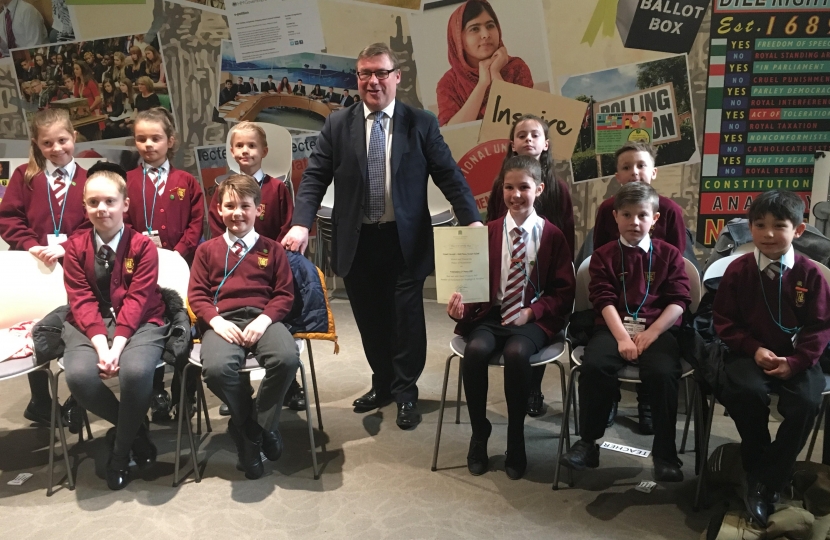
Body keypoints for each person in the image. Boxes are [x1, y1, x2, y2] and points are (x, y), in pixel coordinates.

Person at [282, 42, 481, 429]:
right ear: (357, 78)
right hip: (357, 241)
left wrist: (471, 219)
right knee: (370, 320)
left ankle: (407, 392)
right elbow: (315, 177)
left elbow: (449, 175)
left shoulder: (420, 123)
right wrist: (300, 222)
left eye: (380, 73)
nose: (373, 81)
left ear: (396, 77)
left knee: (406, 319)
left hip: (404, 240)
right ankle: (383, 383)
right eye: (364, 74)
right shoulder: (339, 124)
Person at [448, 155, 574, 479]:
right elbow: (472, 285)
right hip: (493, 315)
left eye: (524, 187)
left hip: (532, 319)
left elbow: (563, 293)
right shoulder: (487, 232)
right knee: (474, 351)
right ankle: (480, 431)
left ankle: (515, 437)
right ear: (500, 189)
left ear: (540, 189)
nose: (516, 195)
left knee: (517, 354)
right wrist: (460, 306)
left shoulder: (552, 236)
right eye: (509, 187)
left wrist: (532, 311)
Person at [558, 181, 690, 482]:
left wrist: (652, 333)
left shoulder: (669, 255)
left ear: (654, 219)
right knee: (596, 365)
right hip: (613, 326)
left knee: (663, 373)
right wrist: (621, 337)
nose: (634, 222)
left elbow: (680, 300)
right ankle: (588, 443)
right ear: (615, 216)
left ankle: (665, 452)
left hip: (657, 330)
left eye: (642, 215)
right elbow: (602, 300)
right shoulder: (603, 256)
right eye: (627, 215)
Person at [713, 190, 830, 527]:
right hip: (749, 353)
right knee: (745, 391)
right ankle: (758, 463)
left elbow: (821, 326)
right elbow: (724, 322)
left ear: (799, 230)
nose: (767, 234)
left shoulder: (811, 274)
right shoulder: (738, 270)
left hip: (798, 357)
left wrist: (795, 362)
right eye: (759, 225)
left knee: (807, 402)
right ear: (749, 228)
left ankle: (767, 479)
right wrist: (753, 348)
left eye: (779, 226)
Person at [62, 167, 168, 490]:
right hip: (89, 324)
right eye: (93, 202)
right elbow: (80, 301)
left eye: (110, 200)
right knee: (79, 376)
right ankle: (136, 432)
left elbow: (137, 300)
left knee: (135, 373)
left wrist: (116, 348)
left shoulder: (143, 247)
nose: (101, 209)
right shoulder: (74, 248)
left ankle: (120, 454)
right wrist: (100, 346)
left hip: (141, 321)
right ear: (84, 207)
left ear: (125, 204)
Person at [189, 174, 300, 480]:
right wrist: (215, 321)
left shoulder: (272, 249)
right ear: (219, 211)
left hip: (264, 318)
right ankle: (251, 424)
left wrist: (264, 319)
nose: (237, 212)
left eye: (245, 206)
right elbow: (197, 295)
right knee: (215, 369)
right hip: (223, 322)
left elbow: (284, 294)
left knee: (286, 359)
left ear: (258, 210)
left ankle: (256, 427)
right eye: (230, 206)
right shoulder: (206, 251)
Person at [207, 122, 303, 416]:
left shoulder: (277, 188)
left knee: (279, 325)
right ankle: (239, 386)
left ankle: (289, 384)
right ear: (232, 152)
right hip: (234, 272)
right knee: (236, 336)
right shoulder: (223, 191)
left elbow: (286, 228)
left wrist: (267, 258)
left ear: (264, 151)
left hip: (271, 270)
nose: (245, 151)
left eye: (252, 145)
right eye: (239, 146)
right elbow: (215, 231)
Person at [0, 108, 88, 430]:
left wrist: (67, 246)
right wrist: (29, 244)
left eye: (62, 140)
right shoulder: (25, 176)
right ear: (37, 144)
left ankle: (79, 399)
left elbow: (96, 223)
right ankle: (40, 400)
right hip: (34, 267)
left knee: (81, 325)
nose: (57, 148)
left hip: (78, 267)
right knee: (36, 327)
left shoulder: (89, 180)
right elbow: (8, 219)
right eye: (47, 143)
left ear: (73, 137)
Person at [593, 141, 687, 433]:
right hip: (619, 309)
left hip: (654, 306)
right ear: (617, 175)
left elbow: (677, 266)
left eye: (641, 165)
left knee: (659, 366)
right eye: (626, 167)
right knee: (600, 360)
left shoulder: (670, 211)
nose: (634, 172)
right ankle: (608, 399)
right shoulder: (607, 209)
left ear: (653, 172)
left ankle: (648, 402)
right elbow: (601, 267)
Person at [485, 114, 575, 418]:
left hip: (542, 277)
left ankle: (533, 388)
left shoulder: (558, 189)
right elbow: (493, 230)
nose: (528, 140)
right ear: (512, 144)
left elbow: (567, 234)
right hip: (510, 277)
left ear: (546, 144)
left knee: (532, 336)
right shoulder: (503, 185)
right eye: (521, 135)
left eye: (534, 135)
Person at [124, 107, 204, 420]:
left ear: (171, 140)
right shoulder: (126, 181)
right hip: (142, 270)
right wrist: (143, 250)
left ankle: (186, 393)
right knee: (150, 325)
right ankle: (154, 391)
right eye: (141, 139)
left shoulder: (187, 181)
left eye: (155, 138)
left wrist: (177, 251)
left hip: (182, 267)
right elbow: (123, 223)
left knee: (185, 325)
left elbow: (197, 223)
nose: (148, 145)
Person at [437, 0, 532, 126]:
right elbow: (451, 134)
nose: (486, 34)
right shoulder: (449, 83)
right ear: (458, 39)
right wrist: (482, 85)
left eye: (490, 26)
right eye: (475, 29)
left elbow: (526, 122)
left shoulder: (516, 68)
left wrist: (496, 74)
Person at [72, 59, 103, 139]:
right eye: (74, 69)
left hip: (92, 113)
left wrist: (89, 109)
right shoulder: (77, 83)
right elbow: (75, 98)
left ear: (83, 69)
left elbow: (98, 99)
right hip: (82, 114)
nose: (75, 71)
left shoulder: (90, 82)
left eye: (77, 69)